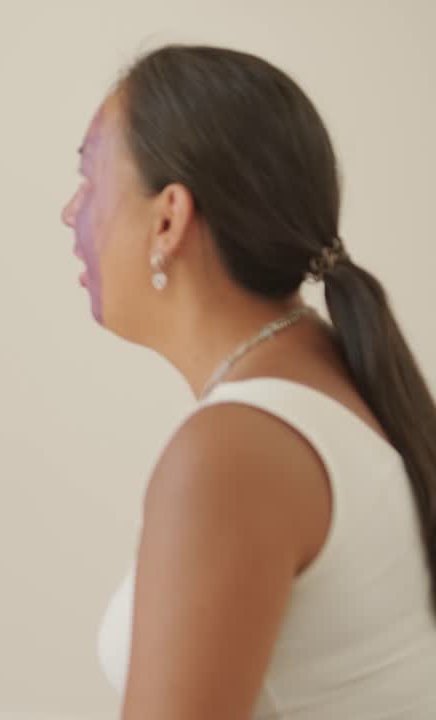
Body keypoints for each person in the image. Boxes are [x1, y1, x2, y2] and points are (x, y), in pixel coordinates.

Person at [62, 45, 436, 719]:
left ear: (169, 219)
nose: (71, 212)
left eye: (89, 178)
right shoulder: (330, 383)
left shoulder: (234, 451)